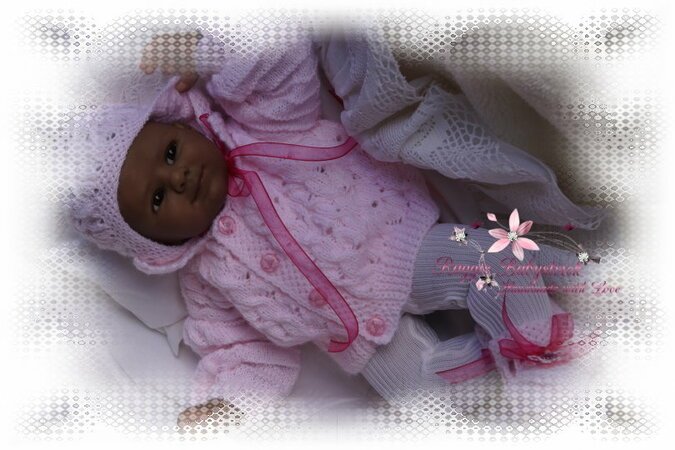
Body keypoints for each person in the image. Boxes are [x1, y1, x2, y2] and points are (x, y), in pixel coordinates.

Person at [67, 30, 599, 424]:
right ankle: (501, 381)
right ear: (156, 243)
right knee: (424, 405)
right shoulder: (208, 283)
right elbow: (244, 355)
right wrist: (228, 407)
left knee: (499, 261)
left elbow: (277, 56)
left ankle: (544, 361)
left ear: (185, 123)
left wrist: (205, 54)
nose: (178, 176)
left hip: (401, 247)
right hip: (360, 345)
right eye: (158, 198)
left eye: (170, 151)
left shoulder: (263, 127)